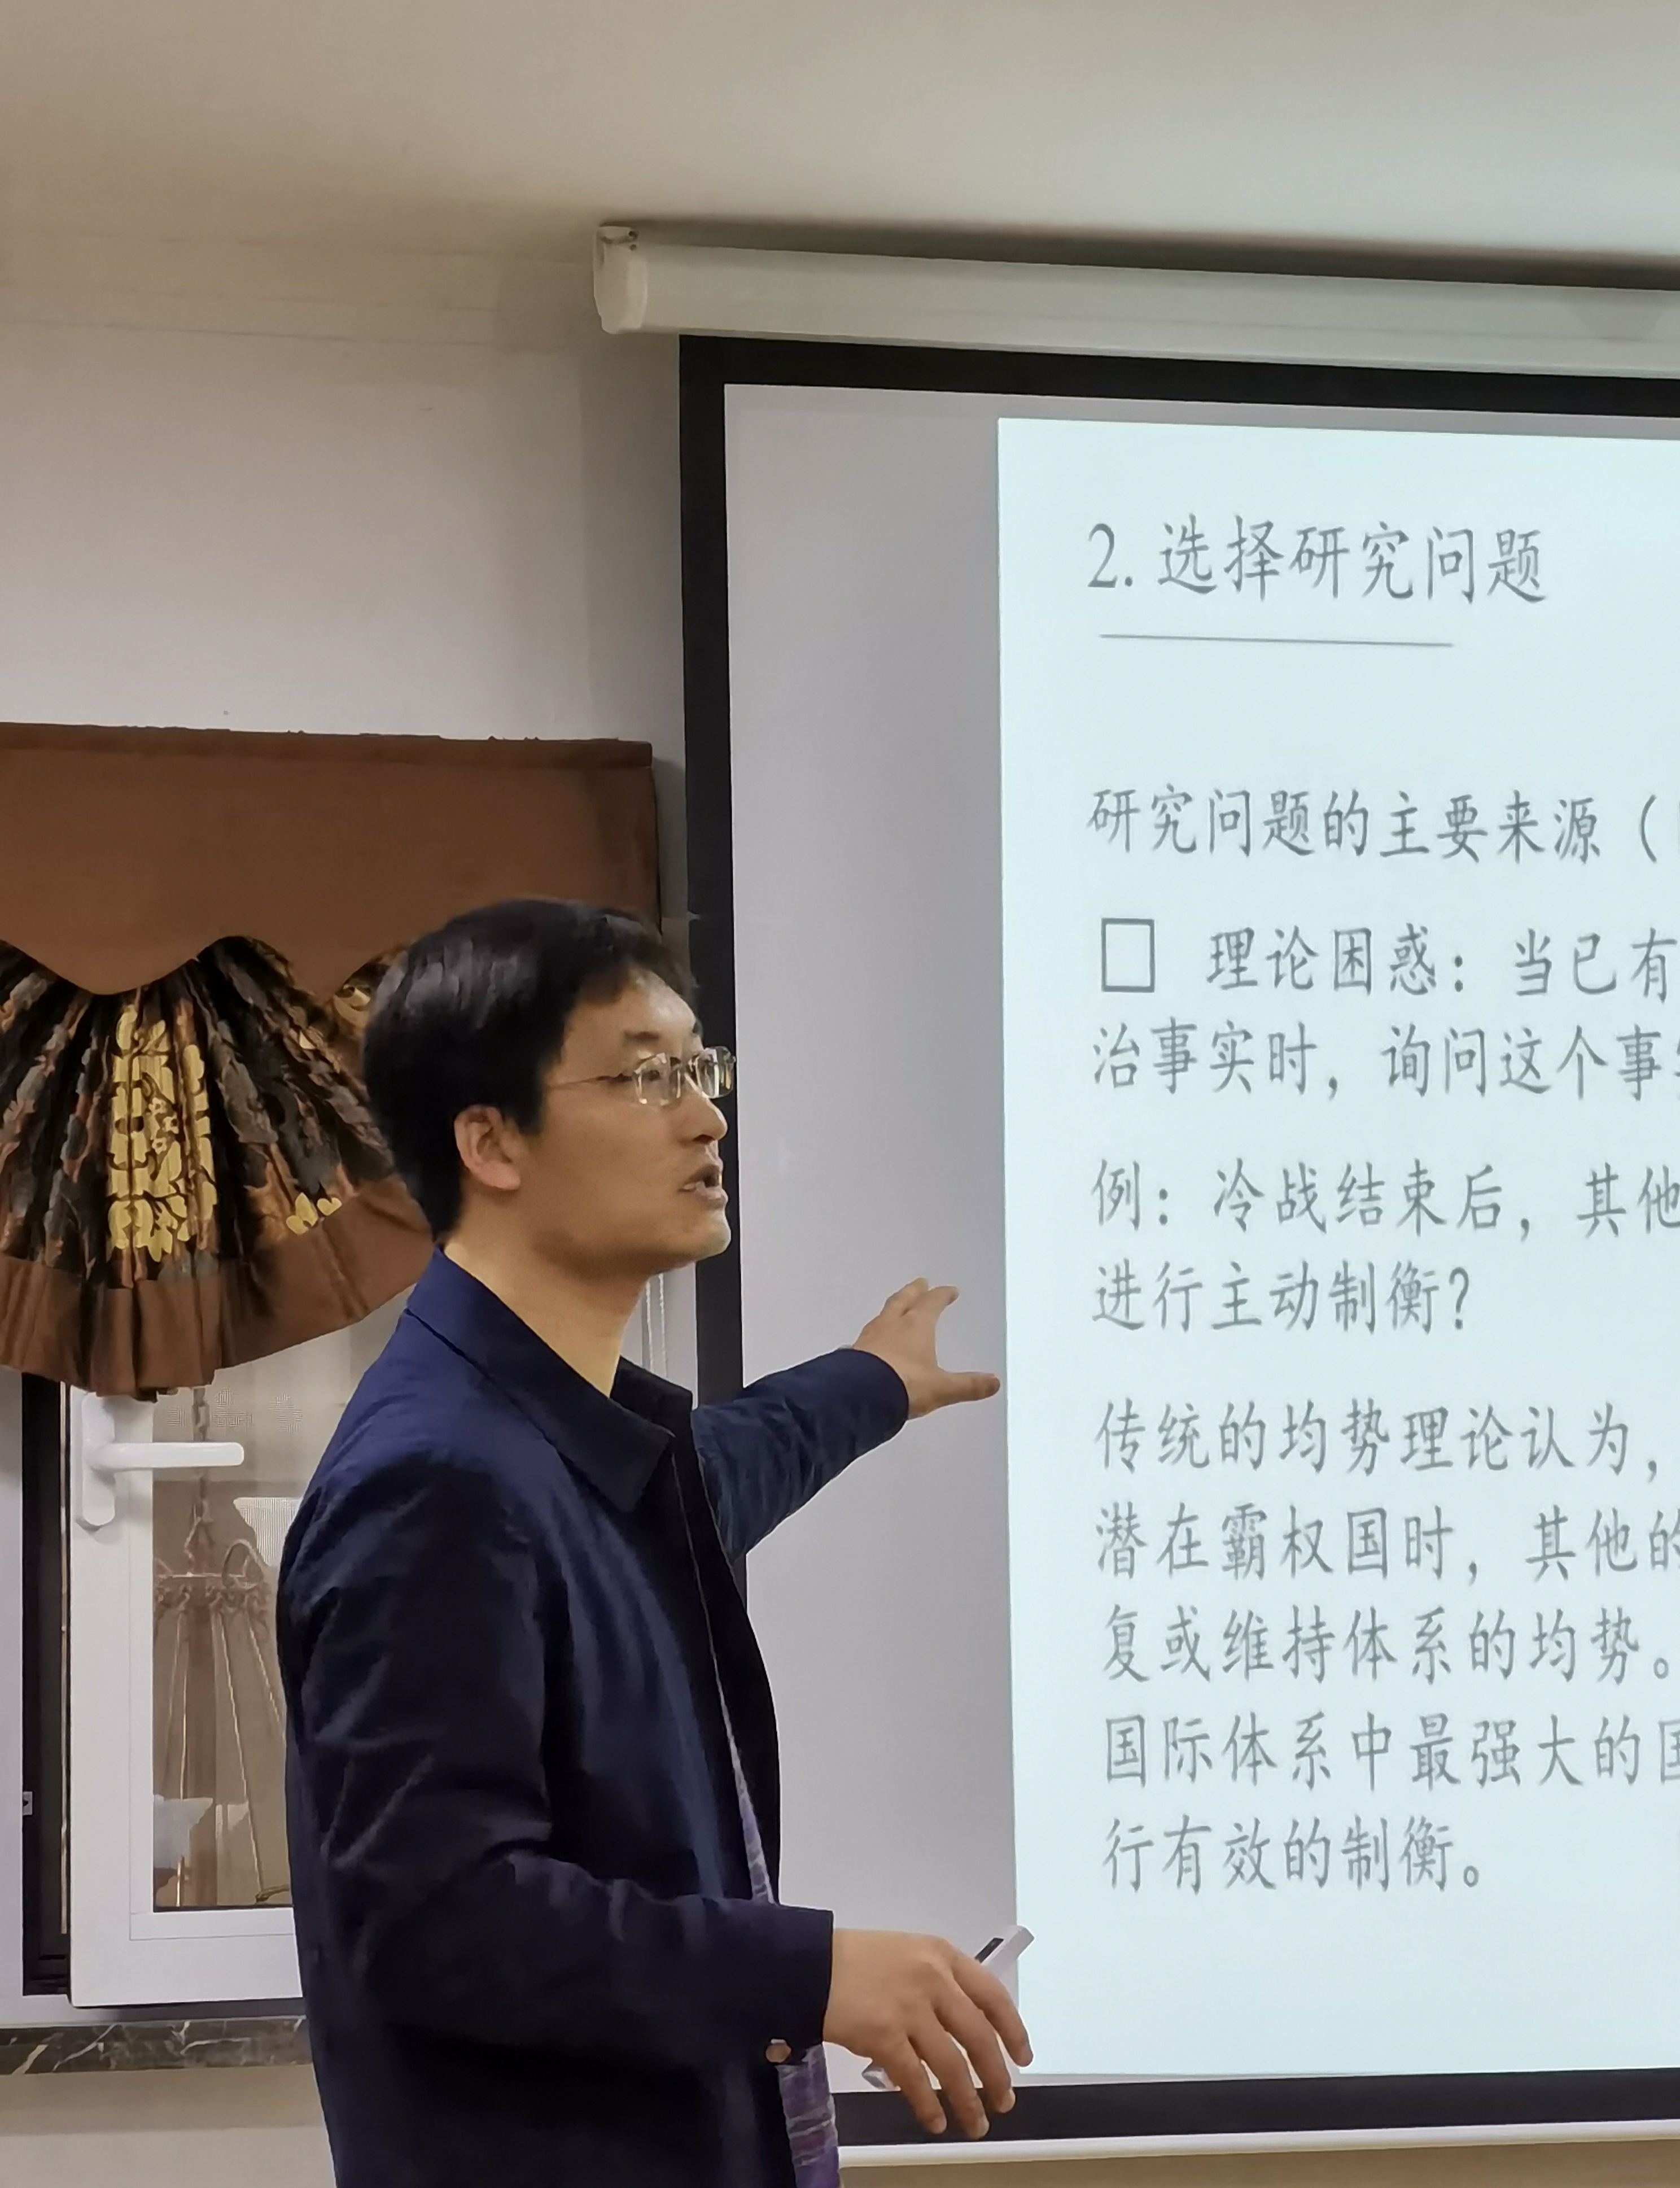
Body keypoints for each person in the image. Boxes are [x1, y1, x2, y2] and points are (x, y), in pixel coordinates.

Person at [276, 898, 1031, 2188]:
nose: (707, 1119)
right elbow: (443, 1921)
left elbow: (714, 1476)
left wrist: (871, 1382)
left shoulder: (551, 1440)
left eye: (701, 1069)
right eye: (647, 1078)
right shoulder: (435, 1480)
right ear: (490, 1141)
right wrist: (812, 1972)